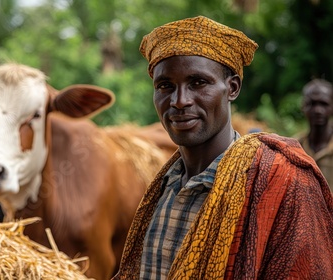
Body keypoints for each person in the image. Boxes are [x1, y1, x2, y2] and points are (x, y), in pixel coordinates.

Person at [112, 16, 333, 279]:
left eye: (198, 83)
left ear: (232, 88)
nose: (180, 101)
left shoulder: (284, 182)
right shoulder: (161, 189)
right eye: (165, 86)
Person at [298, 78, 333, 191]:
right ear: (303, 107)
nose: (318, 110)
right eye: (312, 104)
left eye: (324, 104)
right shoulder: (294, 147)